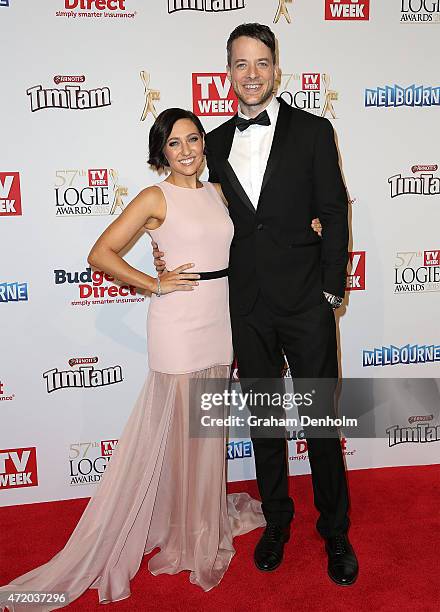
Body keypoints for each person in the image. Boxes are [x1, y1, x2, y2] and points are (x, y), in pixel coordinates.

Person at [0, 108, 271, 611]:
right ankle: (183, 532)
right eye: (175, 143)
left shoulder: (217, 193)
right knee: (176, 428)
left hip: (219, 320)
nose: (187, 150)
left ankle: (198, 521)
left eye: (193, 139)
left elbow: (251, 238)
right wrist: (154, 283)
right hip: (178, 323)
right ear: (161, 151)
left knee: (205, 430)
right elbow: (100, 252)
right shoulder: (154, 197)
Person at [153, 23, 359, 586]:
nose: (251, 74)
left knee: (320, 420)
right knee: (265, 422)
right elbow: (184, 209)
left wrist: (331, 288)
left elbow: (335, 209)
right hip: (245, 307)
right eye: (240, 64)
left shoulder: (314, 131)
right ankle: (276, 521)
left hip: (306, 303)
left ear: (276, 68)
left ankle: (335, 529)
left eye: (261, 62)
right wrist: (161, 256)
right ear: (228, 74)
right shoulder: (211, 143)